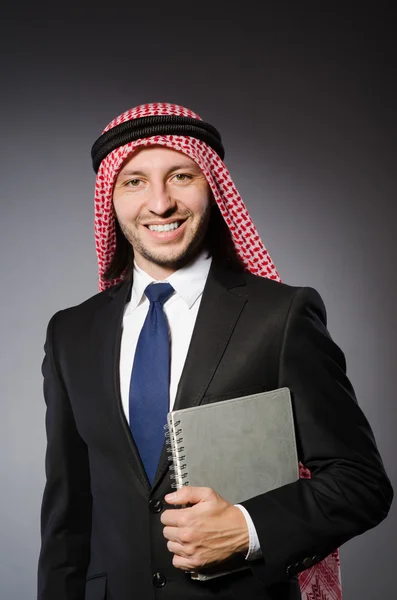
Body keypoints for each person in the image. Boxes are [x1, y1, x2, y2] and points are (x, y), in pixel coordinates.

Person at [37, 102, 393, 600]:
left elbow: (362, 484)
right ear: (110, 199)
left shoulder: (280, 317)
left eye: (181, 176)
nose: (160, 203)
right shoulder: (70, 332)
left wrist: (248, 529)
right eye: (134, 181)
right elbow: (66, 520)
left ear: (214, 186)